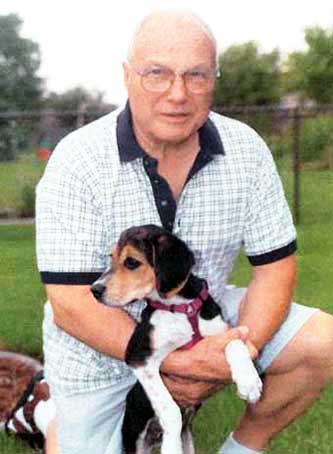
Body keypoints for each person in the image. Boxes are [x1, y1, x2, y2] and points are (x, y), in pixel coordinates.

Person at [8, 9, 333, 454]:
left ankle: (242, 448)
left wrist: (231, 350)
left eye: (196, 75)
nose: (178, 94)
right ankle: (48, 412)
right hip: (96, 350)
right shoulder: (77, 160)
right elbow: (69, 301)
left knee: (323, 342)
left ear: (213, 79)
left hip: (200, 315)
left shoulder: (247, 151)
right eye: (157, 73)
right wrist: (178, 365)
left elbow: (276, 268)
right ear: (127, 76)